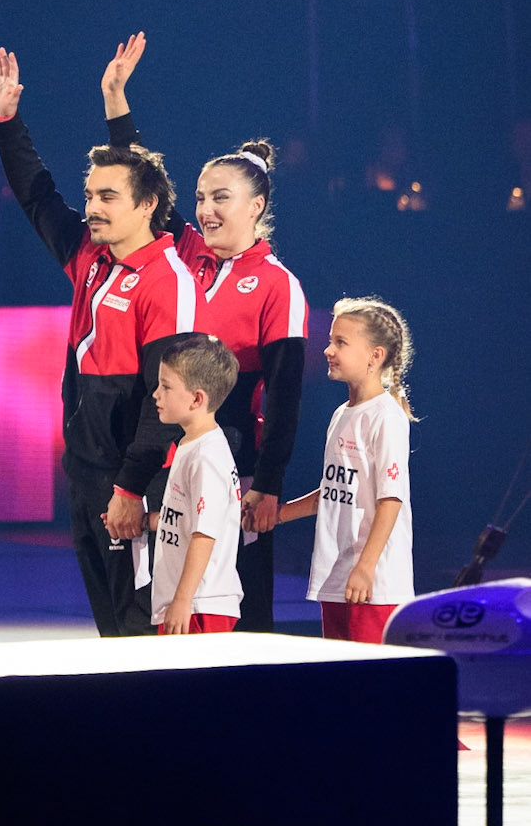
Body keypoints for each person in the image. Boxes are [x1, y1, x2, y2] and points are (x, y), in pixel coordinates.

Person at [0, 48, 205, 637]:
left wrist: (131, 488)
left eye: (108, 197)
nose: (92, 208)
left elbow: (170, 402)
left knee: (139, 633)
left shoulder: (168, 281)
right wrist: (7, 124)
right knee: (110, 632)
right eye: (91, 195)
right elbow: (39, 197)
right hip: (84, 475)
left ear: (149, 205)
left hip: (131, 483)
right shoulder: (89, 256)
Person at [100, 33, 308, 632]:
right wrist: (116, 98)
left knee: (240, 605)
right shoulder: (187, 256)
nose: (207, 209)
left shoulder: (277, 285)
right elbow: (144, 185)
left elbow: (286, 397)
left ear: (257, 204)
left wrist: (267, 486)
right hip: (172, 454)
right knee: (171, 597)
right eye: (201, 198)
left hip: (234, 464)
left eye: (222, 197)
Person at [277, 298, 416, 642]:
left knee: (371, 685)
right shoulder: (342, 414)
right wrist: (276, 515)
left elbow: (390, 499)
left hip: (373, 583)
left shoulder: (386, 416)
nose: (328, 350)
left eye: (341, 342)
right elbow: (334, 490)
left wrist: (366, 568)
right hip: (337, 577)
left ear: (375, 355)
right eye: (330, 340)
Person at [149, 334, 243, 634]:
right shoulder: (192, 445)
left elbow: (205, 533)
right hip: (188, 602)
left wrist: (183, 599)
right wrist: (150, 522)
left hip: (202, 605)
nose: (156, 394)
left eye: (166, 387)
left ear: (197, 398)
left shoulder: (207, 455)